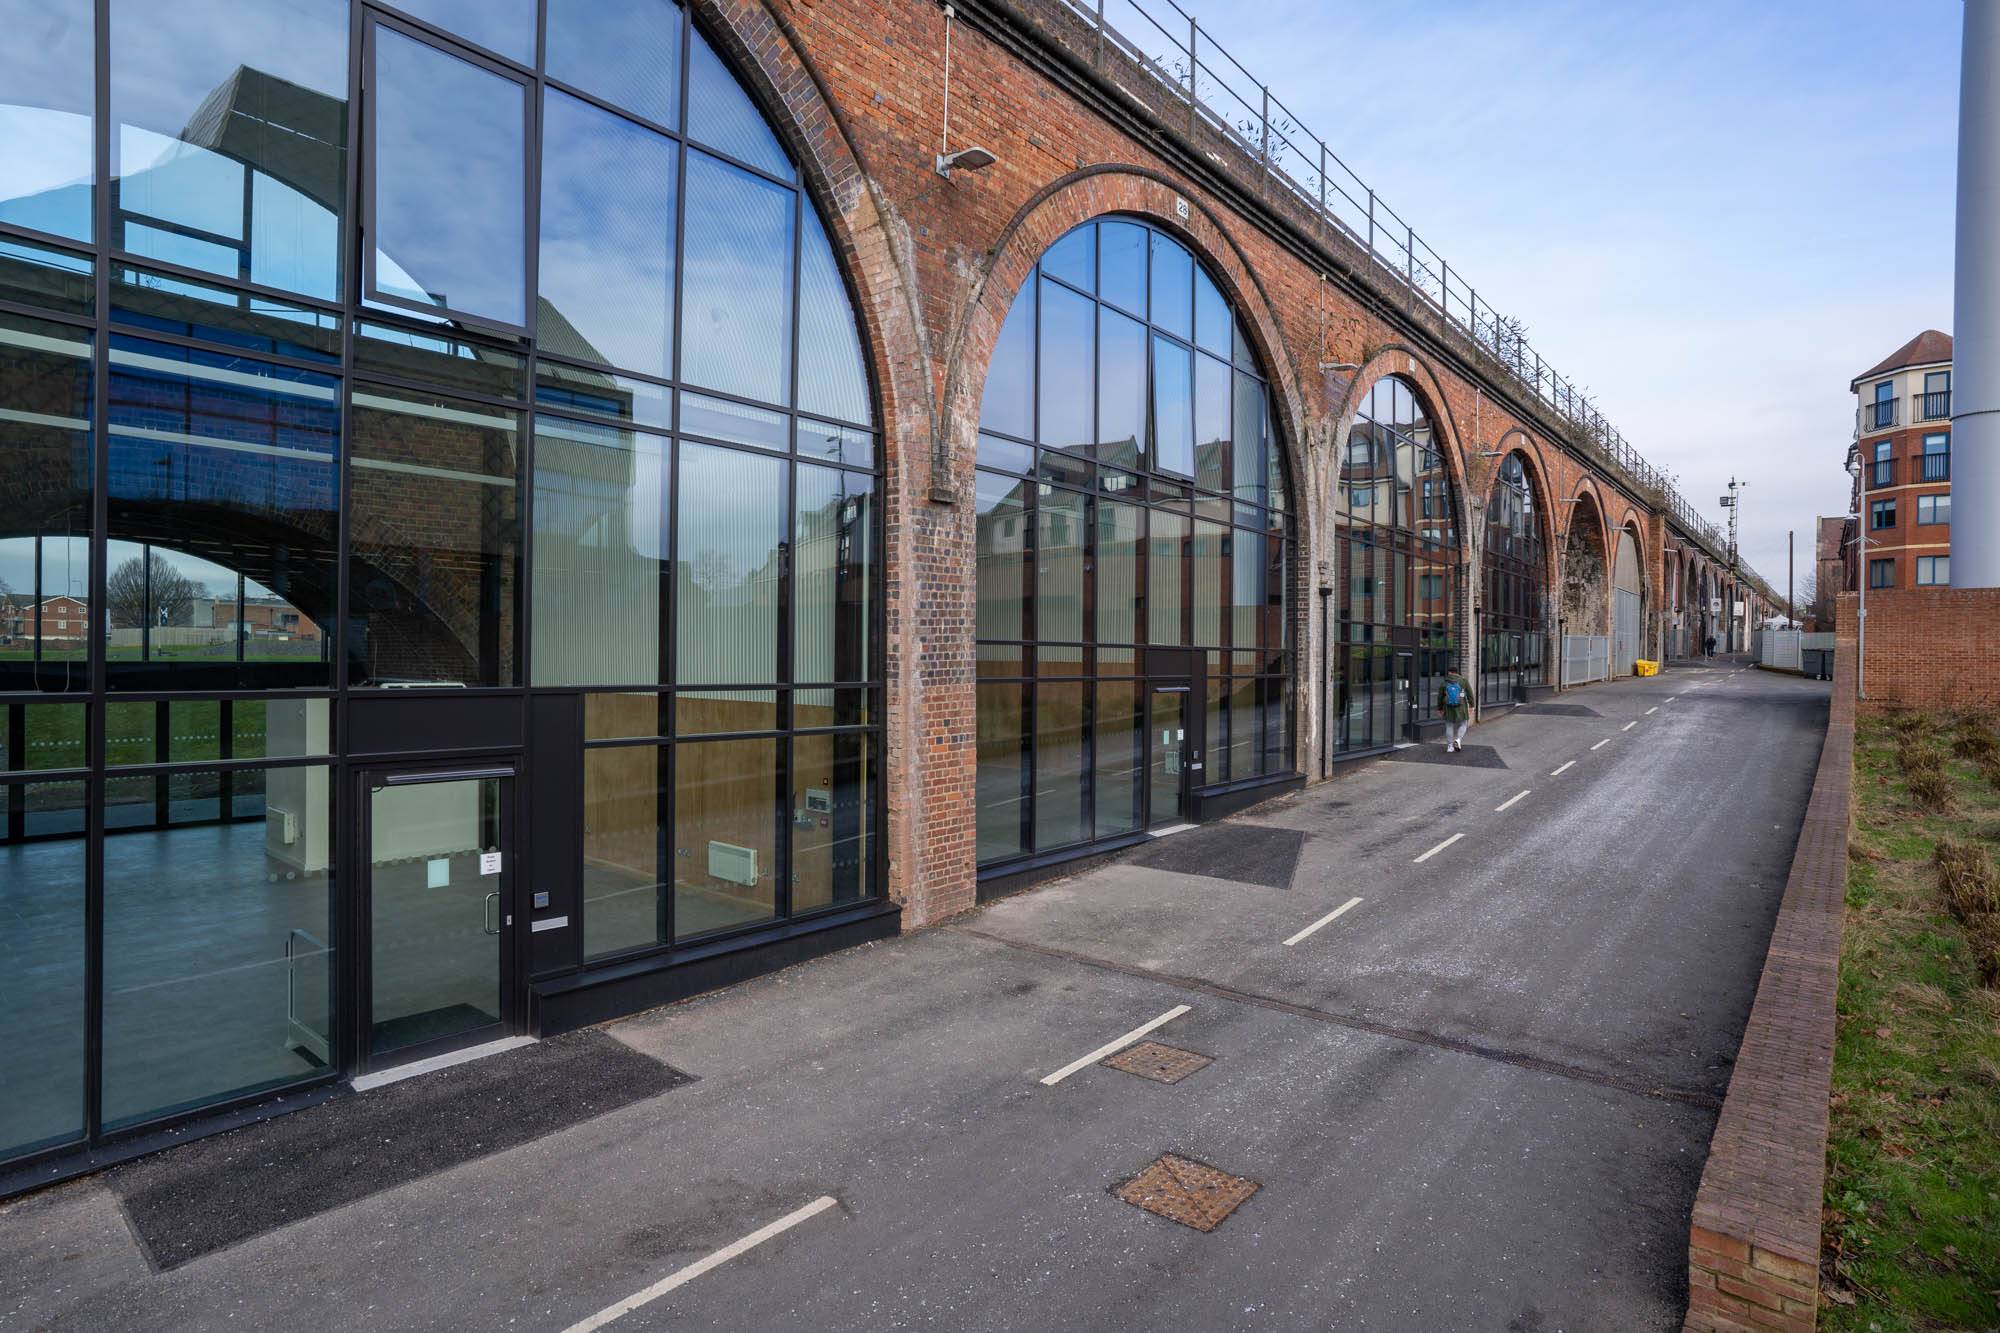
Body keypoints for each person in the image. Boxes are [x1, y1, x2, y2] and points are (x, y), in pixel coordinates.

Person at [1437, 667, 1472, 753]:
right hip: (1461, 706)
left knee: (1449, 726)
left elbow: (1440, 697)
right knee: (1464, 724)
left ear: (1449, 672)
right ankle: (1458, 739)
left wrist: (1440, 708)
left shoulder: (1444, 682)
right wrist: (1472, 705)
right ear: (1457, 673)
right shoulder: (1463, 681)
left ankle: (1450, 746)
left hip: (1448, 707)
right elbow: (1470, 693)